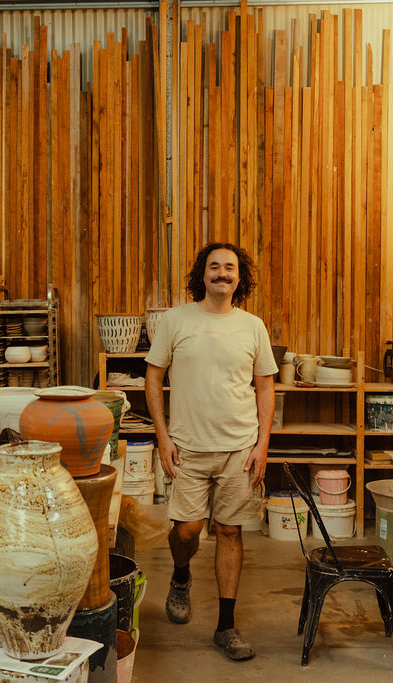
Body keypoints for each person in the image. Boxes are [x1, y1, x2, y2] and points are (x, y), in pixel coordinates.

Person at [144, 242, 277, 661]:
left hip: (239, 448)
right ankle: (181, 575)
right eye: (215, 266)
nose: (222, 273)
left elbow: (265, 387)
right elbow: (153, 379)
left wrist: (262, 444)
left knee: (231, 531)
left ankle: (226, 626)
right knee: (187, 531)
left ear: (240, 277)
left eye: (230, 267)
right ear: (202, 274)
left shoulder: (252, 326)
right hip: (188, 447)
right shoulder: (176, 320)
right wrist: (163, 438)